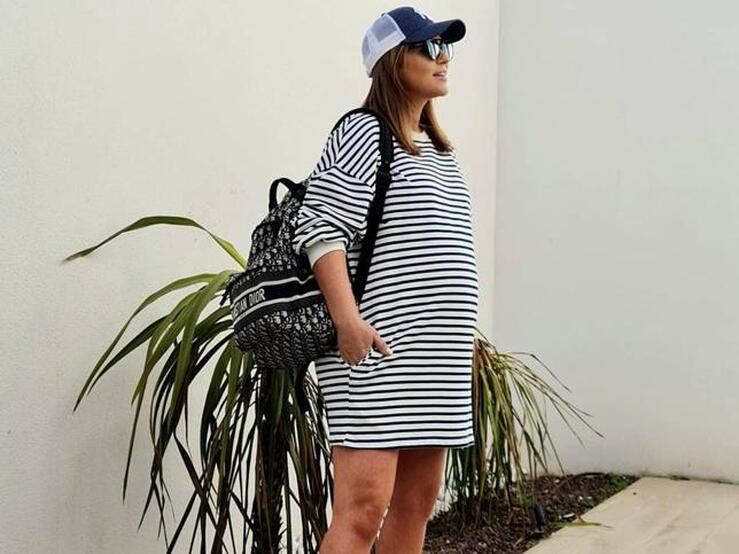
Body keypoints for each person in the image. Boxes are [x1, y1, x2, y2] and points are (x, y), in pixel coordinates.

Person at [290, 6, 478, 553]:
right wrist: (347, 321)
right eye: (429, 47)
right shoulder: (364, 132)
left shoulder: (439, 150)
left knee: (417, 504)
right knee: (363, 510)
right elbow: (319, 228)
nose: (443, 58)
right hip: (377, 353)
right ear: (394, 61)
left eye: (446, 47)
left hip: (435, 359)